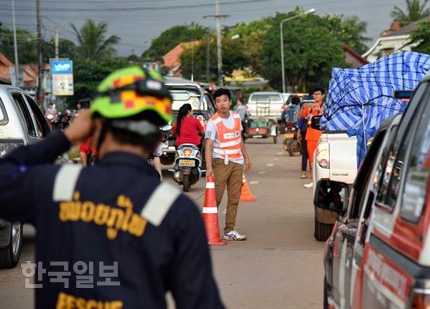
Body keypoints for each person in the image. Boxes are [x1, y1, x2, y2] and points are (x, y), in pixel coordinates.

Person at [0, 66, 225, 308]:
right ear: (157, 140)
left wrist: (65, 138)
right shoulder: (175, 210)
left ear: (94, 133)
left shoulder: (56, 185)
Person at [205, 88, 252, 241]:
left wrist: (246, 158)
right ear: (215, 104)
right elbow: (209, 145)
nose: (222, 104)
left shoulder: (237, 117)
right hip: (220, 163)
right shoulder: (212, 122)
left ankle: (229, 230)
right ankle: (204, 229)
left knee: (234, 198)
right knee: (215, 199)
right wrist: (209, 168)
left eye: (224, 100)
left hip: (237, 162)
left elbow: (239, 139)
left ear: (230, 102)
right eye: (218, 101)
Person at [300, 88, 325, 188]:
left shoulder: (326, 106)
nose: (316, 96)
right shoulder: (310, 106)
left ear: (323, 96)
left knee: (322, 160)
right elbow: (301, 117)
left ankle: (322, 181)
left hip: (321, 137)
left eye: (318, 94)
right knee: (311, 160)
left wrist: (320, 110)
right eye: (314, 94)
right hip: (310, 136)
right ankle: (313, 181)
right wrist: (302, 108)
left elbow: (328, 116)